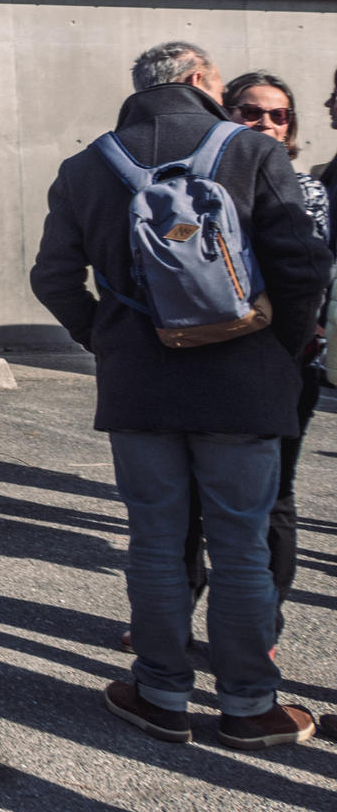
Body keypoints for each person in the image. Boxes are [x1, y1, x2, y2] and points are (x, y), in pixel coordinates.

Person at [32, 41, 329, 751]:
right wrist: (276, 348)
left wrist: (107, 339)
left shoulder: (87, 165)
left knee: (157, 544)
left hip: (141, 388)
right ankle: (250, 705)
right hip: (245, 384)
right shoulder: (255, 154)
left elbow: (52, 276)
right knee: (242, 547)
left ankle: (160, 692)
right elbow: (303, 265)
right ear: (199, 81)